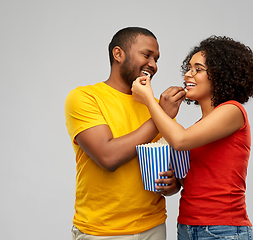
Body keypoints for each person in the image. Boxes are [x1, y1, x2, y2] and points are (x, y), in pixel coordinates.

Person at [132, 35, 253, 240]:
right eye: (189, 68)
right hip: (187, 227)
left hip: (223, 230)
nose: (188, 74)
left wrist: (149, 99)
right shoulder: (198, 128)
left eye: (198, 69)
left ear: (220, 75)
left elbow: (180, 140)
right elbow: (200, 179)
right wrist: (175, 184)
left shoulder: (233, 111)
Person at [65, 27, 186, 240]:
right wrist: (160, 116)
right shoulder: (84, 97)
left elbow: (174, 164)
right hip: (102, 232)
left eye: (156, 58)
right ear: (118, 54)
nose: (153, 65)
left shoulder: (156, 107)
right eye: (146, 55)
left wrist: (173, 183)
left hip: (154, 226)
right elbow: (108, 157)